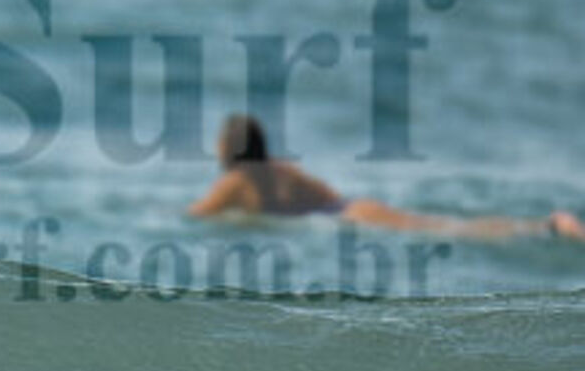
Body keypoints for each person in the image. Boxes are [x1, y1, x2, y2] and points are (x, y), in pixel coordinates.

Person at [189, 113, 584, 240]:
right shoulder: (281, 168)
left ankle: (549, 226)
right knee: (444, 225)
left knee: (449, 230)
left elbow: (195, 217)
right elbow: (327, 194)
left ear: (229, 148)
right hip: (353, 206)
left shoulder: (235, 182)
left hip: (347, 217)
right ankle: (546, 225)